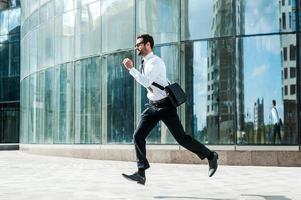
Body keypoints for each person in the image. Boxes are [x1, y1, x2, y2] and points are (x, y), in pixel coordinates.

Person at [121, 34, 218, 185]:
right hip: (152, 105)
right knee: (138, 136)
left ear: (148, 45)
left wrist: (131, 69)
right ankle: (141, 173)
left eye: (139, 44)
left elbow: (146, 82)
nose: (136, 47)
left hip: (166, 106)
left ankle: (211, 156)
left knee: (182, 139)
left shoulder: (156, 62)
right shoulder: (144, 62)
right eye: (136, 44)